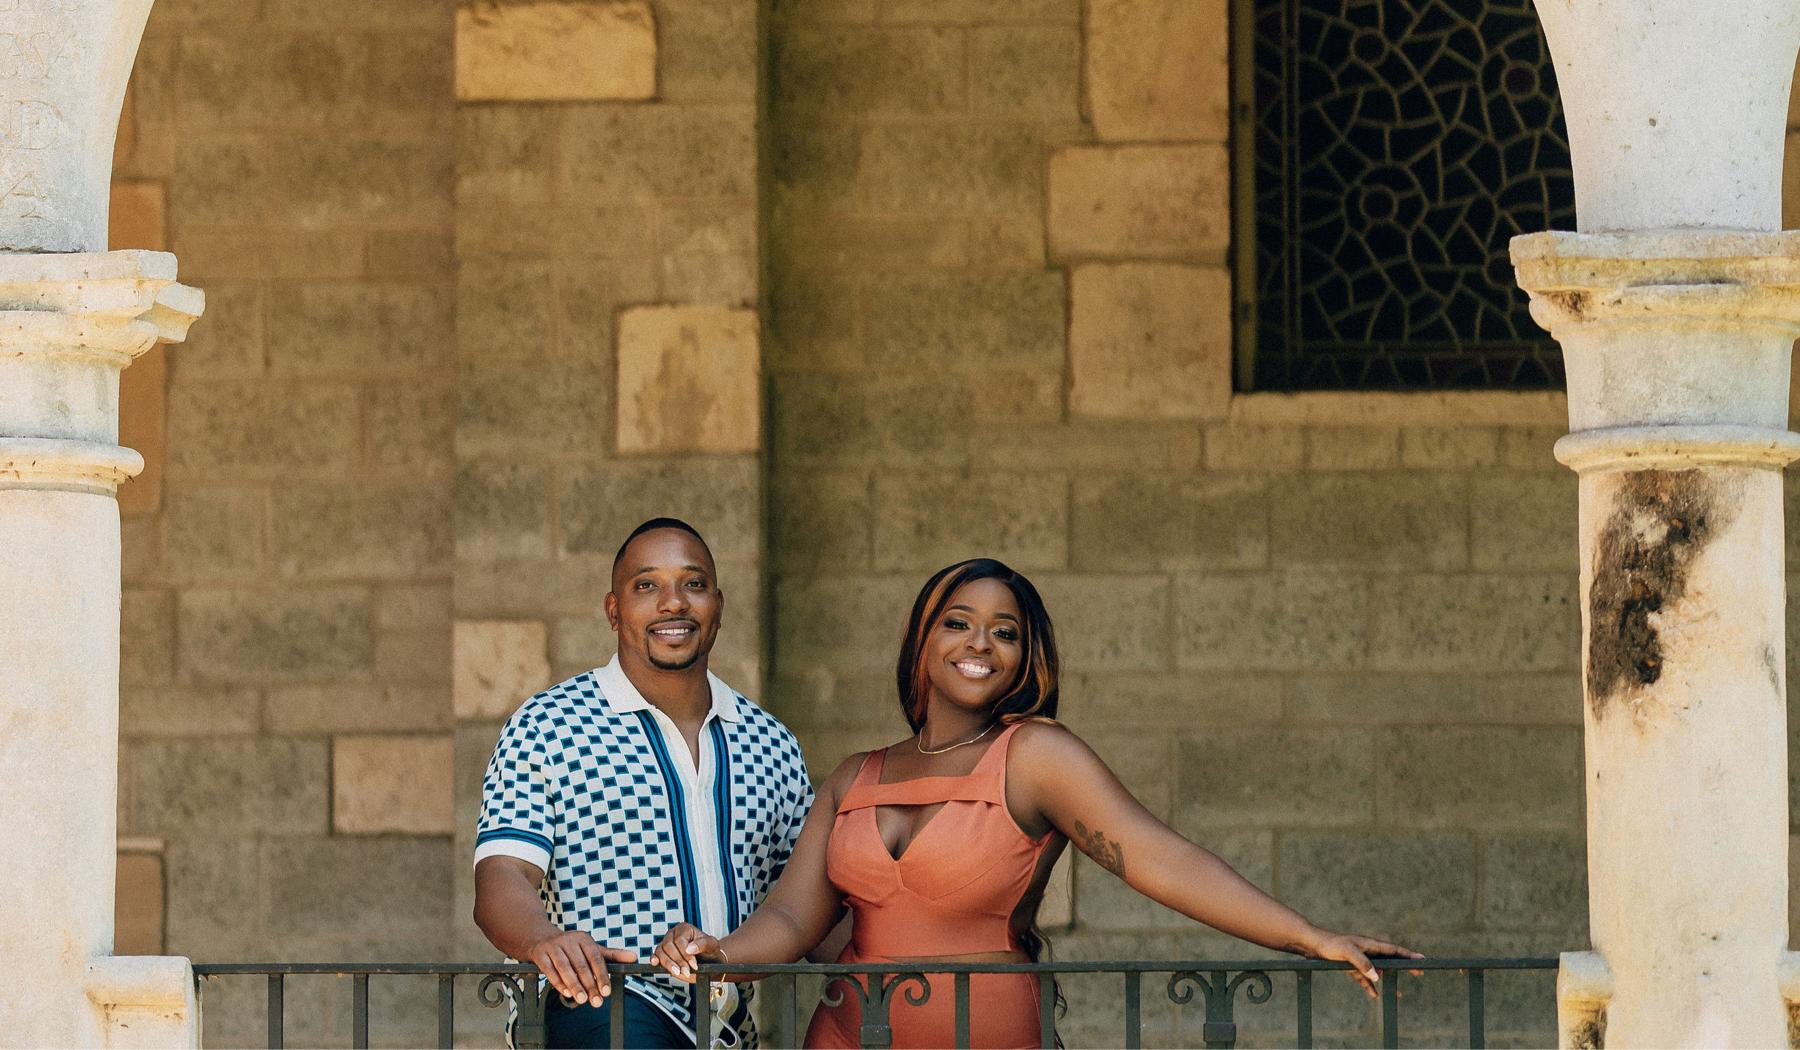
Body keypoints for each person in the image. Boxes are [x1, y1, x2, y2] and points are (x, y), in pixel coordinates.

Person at [650, 557, 1420, 1048]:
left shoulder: (1035, 757)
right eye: (958, 623)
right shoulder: (856, 776)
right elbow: (793, 918)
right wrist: (720, 955)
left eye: (1005, 632)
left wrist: (1305, 936)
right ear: (922, 639)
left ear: (1025, 656)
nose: (979, 644)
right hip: (848, 1036)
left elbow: (1159, 858)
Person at [473, 518, 815, 1049]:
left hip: (725, 1029)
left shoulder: (771, 742)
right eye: (646, 585)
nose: (673, 602)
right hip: (597, 1005)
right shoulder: (549, 725)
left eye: (693, 584)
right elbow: (502, 874)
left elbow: (811, 901)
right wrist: (545, 940)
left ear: (718, 605)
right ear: (614, 611)